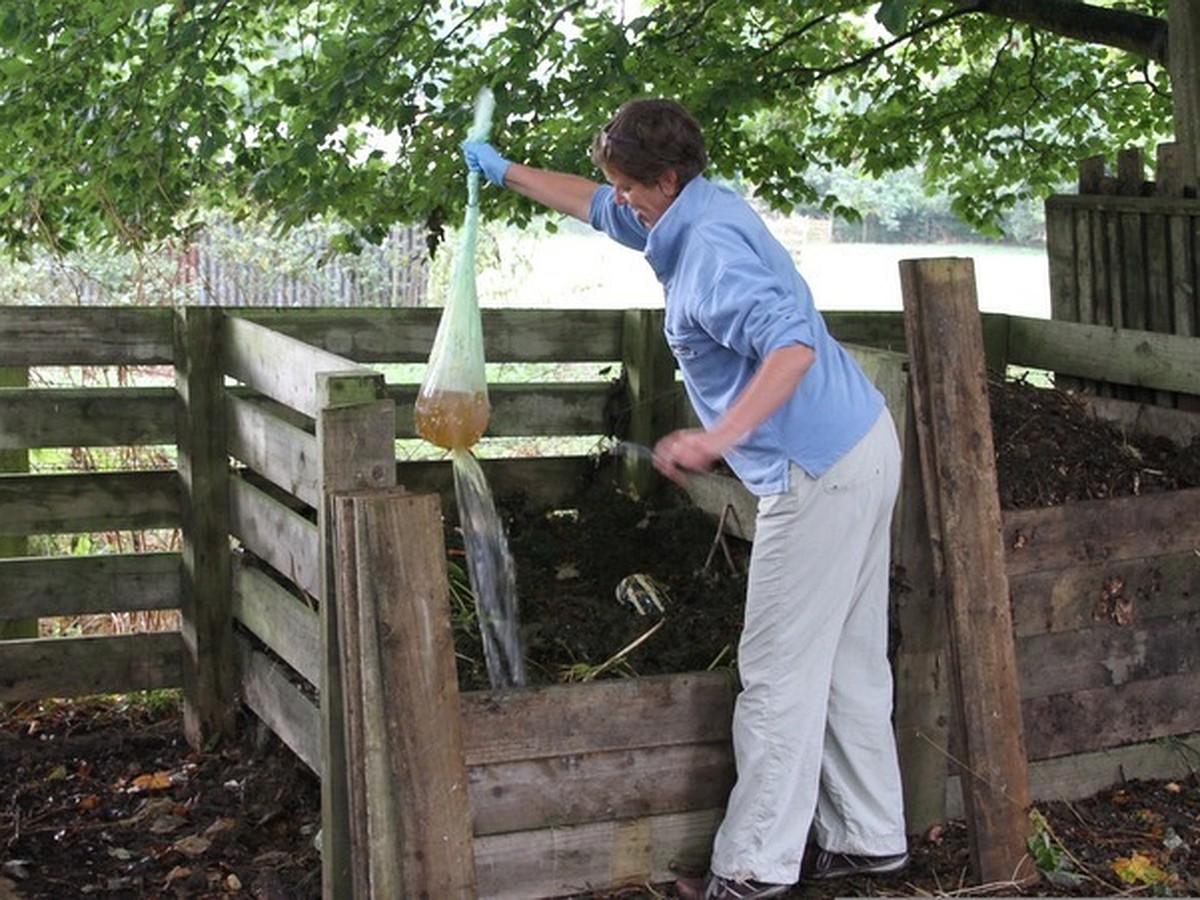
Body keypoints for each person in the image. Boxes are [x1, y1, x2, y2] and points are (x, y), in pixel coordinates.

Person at [464, 98, 908, 900]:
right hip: (861, 444)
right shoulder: (687, 209)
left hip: (818, 471)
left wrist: (716, 439)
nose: (621, 198)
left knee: (775, 671)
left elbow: (793, 347)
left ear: (666, 179)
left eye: (632, 186)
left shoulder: (708, 252)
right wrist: (503, 172)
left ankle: (753, 869)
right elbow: (595, 205)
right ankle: (871, 838)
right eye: (619, 185)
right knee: (845, 658)